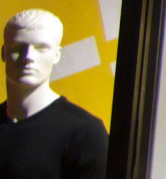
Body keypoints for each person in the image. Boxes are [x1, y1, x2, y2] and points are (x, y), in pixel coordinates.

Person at [0, 10, 106, 179]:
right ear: (4, 53)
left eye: (41, 48)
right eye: (18, 47)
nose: (28, 57)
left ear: (56, 55)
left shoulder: (85, 132)